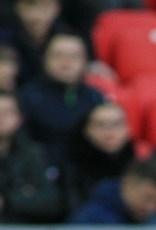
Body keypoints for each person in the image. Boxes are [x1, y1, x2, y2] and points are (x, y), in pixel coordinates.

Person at [0, 88, 63, 223]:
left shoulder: (32, 153)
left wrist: (5, 201)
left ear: (19, 118)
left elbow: (49, 202)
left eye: (6, 112)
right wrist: (23, 194)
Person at [18, 32, 104, 169]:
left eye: (74, 56)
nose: (66, 63)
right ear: (44, 58)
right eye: (58, 56)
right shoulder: (27, 97)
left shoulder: (95, 98)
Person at [62, 101, 135, 213]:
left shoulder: (137, 167)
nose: (109, 131)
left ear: (127, 130)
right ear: (86, 130)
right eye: (101, 125)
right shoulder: (73, 168)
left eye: (116, 124)